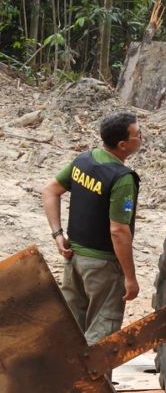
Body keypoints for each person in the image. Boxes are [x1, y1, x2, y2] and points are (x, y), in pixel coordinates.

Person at [42, 111, 142, 345]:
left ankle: (63, 380)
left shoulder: (84, 160)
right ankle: (92, 382)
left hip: (74, 260)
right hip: (103, 267)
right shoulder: (122, 178)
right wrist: (130, 277)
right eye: (138, 134)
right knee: (101, 335)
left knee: (71, 330)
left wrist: (58, 235)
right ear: (123, 144)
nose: (142, 137)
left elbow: (50, 190)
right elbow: (118, 231)